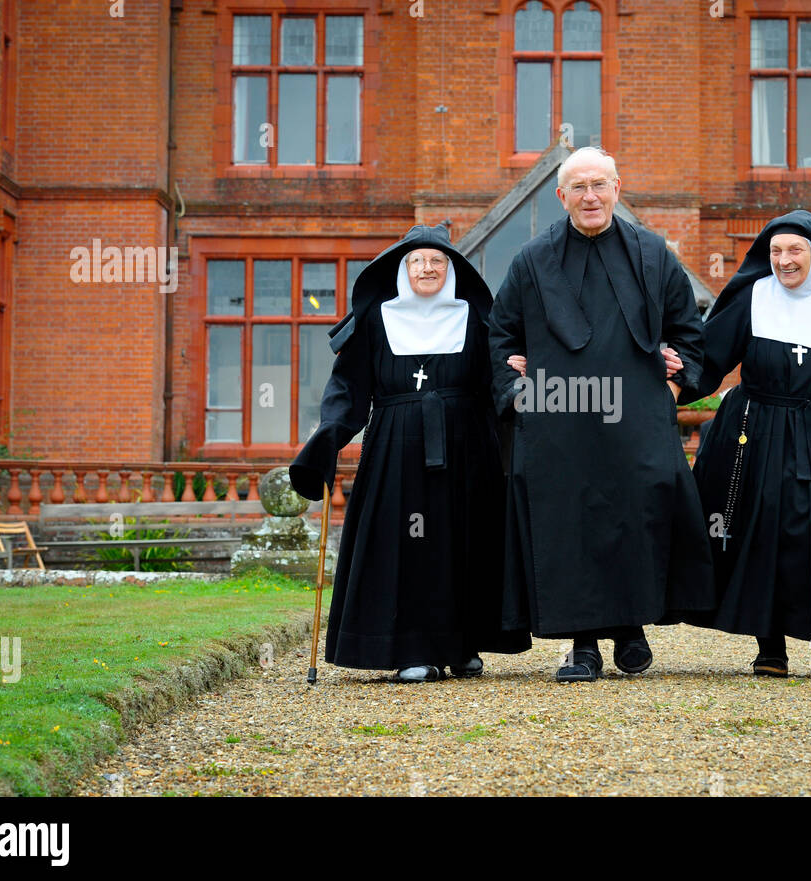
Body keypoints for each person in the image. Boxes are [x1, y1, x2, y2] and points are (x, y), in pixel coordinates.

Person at [489, 146, 715, 682]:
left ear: (617, 188)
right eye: (578, 188)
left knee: (636, 517)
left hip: (635, 417)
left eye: (599, 185)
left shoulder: (655, 254)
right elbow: (500, 335)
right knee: (570, 524)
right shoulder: (530, 261)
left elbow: (689, 330)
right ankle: (583, 645)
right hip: (557, 419)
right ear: (561, 196)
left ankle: (632, 629)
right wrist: (516, 385)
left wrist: (677, 380)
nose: (590, 196)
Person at [289, 224, 530, 683]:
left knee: (462, 542)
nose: (427, 268)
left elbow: (497, 382)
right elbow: (349, 387)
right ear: (402, 269)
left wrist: (523, 390)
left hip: (466, 446)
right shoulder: (378, 320)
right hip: (395, 448)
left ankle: (462, 645)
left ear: (451, 269)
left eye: (437, 261)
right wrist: (328, 435)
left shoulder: (476, 319)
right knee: (407, 544)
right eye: (417, 261)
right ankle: (412, 649)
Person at [676, 210, 811, 677]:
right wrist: (667, 381)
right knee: (763, 531)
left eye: (794, 250)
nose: (783, 260)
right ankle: (769, 646)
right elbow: (708, 358)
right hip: (758, 427)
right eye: (775, 251)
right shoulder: (752, 297)